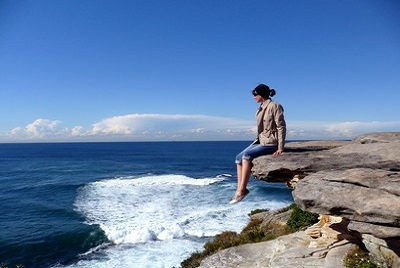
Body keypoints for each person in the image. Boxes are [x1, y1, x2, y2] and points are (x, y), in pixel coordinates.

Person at [230, 83, 286, 204]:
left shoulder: (274, 106)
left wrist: (280, 147)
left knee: (246, 157)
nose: (254, 97)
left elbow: (281, 126)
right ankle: (240, 188)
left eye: (255, 94)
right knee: (238, 158)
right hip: (261, 140)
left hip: (271, 142)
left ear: (261, 95)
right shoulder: (261, 107)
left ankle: (241, 190)